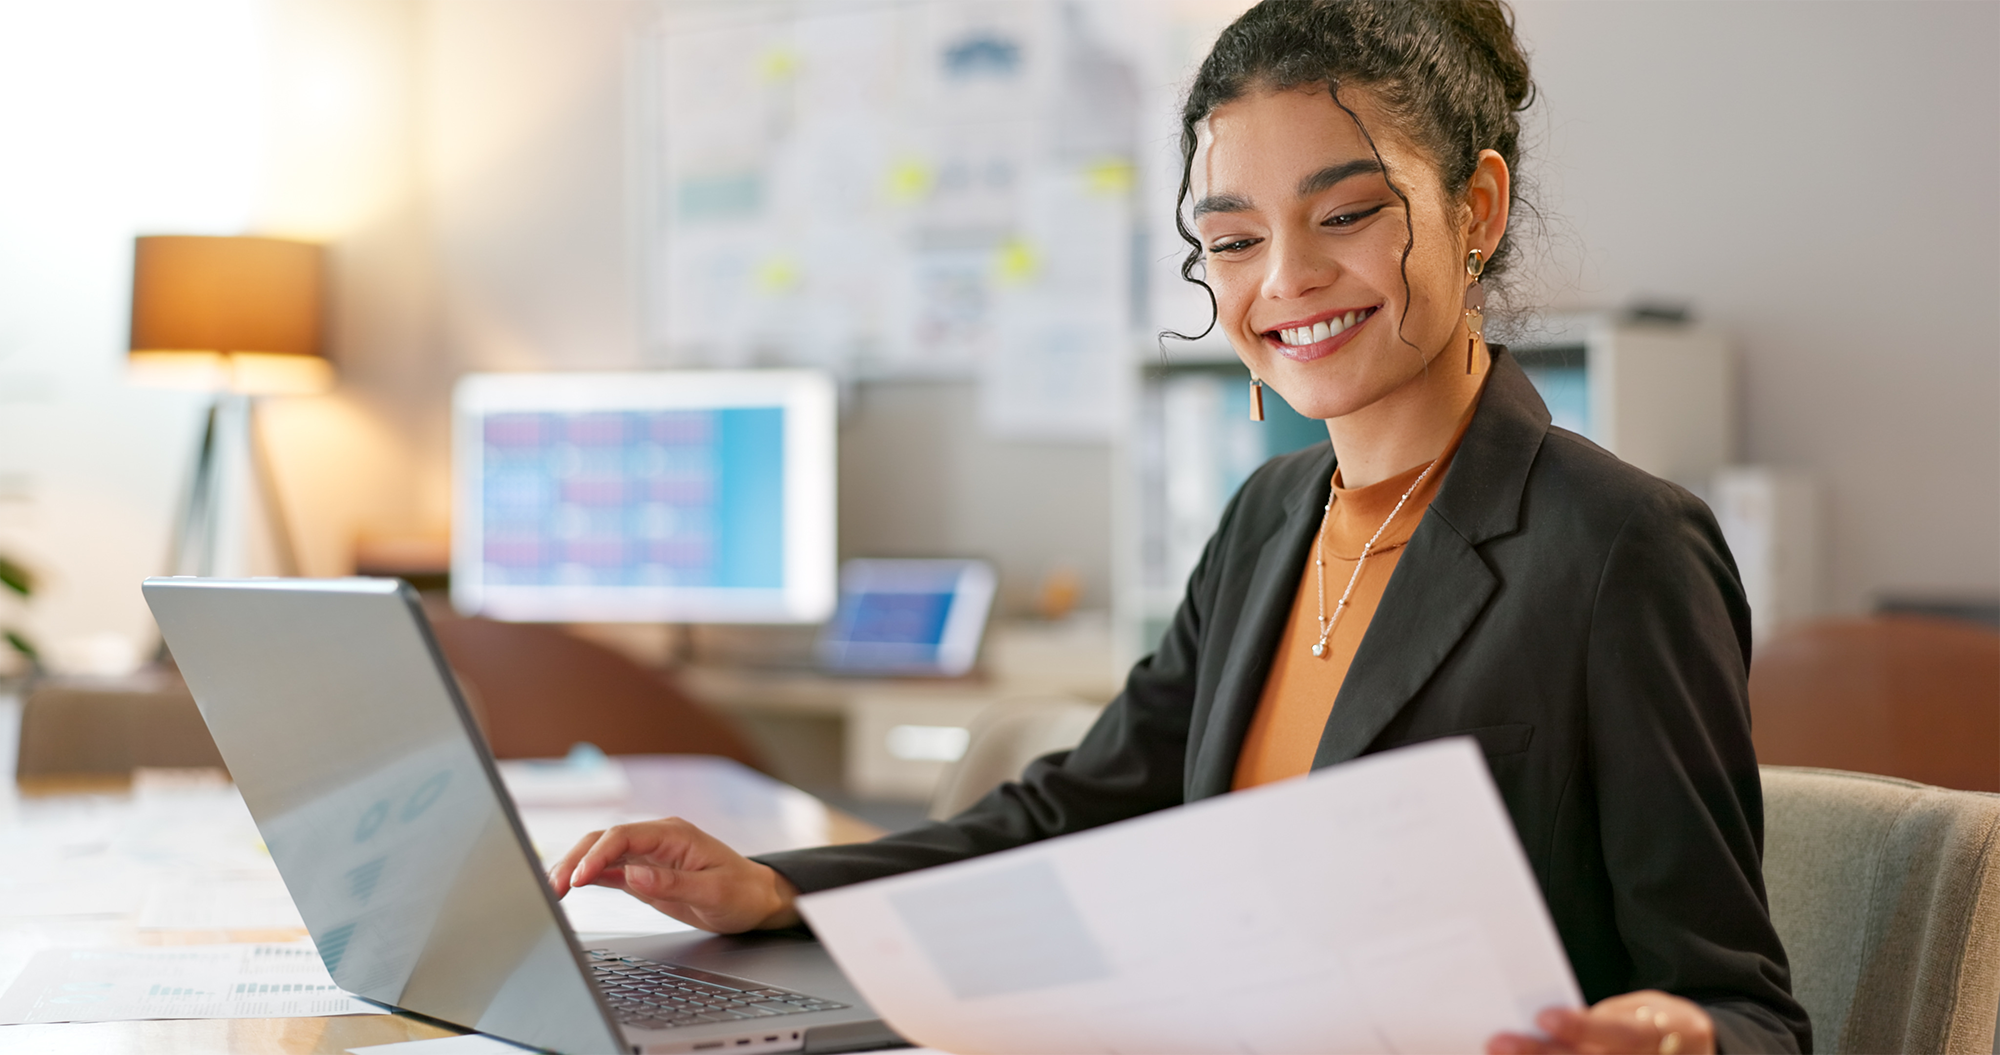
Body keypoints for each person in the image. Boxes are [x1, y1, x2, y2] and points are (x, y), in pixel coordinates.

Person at [550, 2, 1811, 1052]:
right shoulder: (1268, 517)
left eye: (1347, 212)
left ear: (1474, 208)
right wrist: (779, 886)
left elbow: (1745, 1007)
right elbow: (1074, 810)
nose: (1284, 281)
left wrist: (1671, 1035)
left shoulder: (1617, 546)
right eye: (1232, 239)